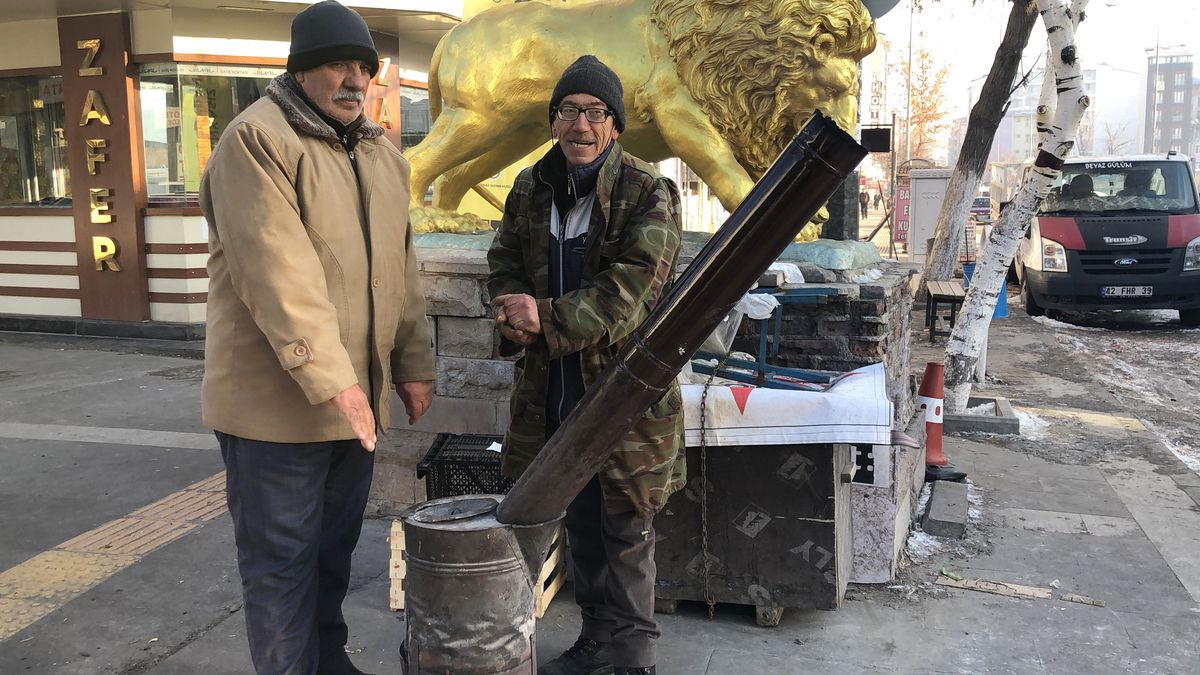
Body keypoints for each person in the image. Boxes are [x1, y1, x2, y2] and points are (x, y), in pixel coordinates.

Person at [199, 2, 435, 673]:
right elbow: (280, 276)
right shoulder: (257, 140)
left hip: (349, 408)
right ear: (300, 69)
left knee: (333, 556)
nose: (354, 77)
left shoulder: (383, 155)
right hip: (276, 414)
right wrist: (337, 383)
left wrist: (412, 362)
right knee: (281, 568)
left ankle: (327, 663)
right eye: (337, 62)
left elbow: (401, 271)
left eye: (364, 65)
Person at [487, 55, 684, 675]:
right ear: (552, 122)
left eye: (595, 112)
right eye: (568, 111)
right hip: (550, 392)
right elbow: (504, 260)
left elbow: (631, 292)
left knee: (624, 527)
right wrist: (511, 309)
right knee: (578, 522)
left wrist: (544, 317)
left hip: (623, 398)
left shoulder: (647, 191)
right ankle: (598, 639)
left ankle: (632, 658)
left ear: (615, 126)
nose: (581, 124)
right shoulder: (529, 188)